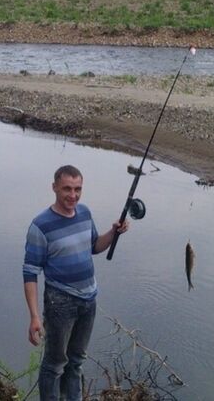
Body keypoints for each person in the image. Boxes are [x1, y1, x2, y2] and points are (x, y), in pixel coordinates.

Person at [23, 164, 129, 401]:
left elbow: (94, 246)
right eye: (67, 189)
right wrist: (34, 316)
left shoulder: (85, 213)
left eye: (77, 189)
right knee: (54, 364)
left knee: (76, 361)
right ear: (54, 188)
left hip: (89, 300)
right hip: (59, 302)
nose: (73, 195)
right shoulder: (40, 225)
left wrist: (114, 232)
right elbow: (30, 273)